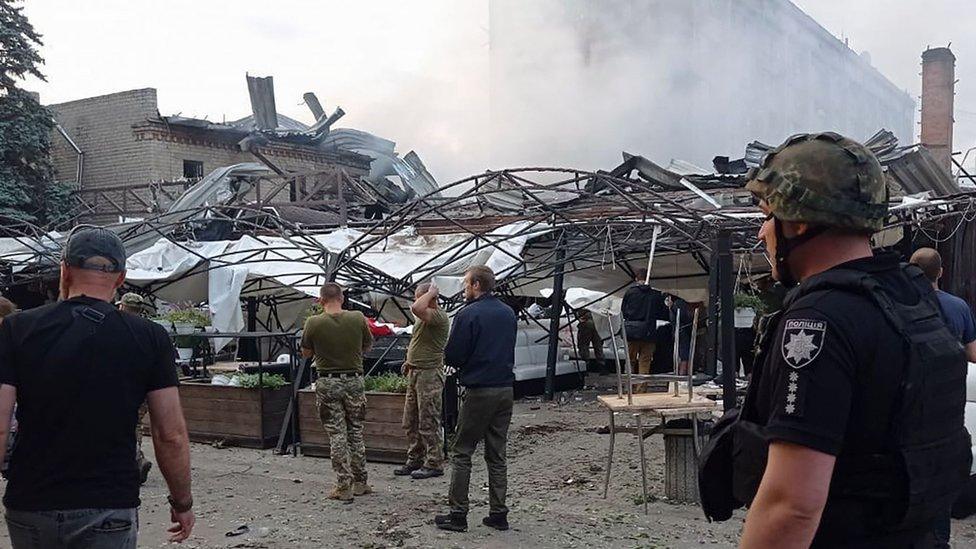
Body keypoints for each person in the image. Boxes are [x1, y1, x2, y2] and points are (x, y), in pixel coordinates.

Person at [699, 133, 970, 548]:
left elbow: (792, 505)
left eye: (768, 215)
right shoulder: (911, 299)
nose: (761, 233)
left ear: (798, 221)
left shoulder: (818, 322)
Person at [0, 227, 194, 548]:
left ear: (64, 270)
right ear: (120, 279)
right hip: (108, 504)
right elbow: (170, 434)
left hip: (31, 502)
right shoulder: (149, 337)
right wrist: (182, 502)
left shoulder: (16, 329)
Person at [434, 266, 517, 533]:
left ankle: (458, 513)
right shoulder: (508, 313)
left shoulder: (468, 314)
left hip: (479, 389)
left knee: (462, 451)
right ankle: (498, 513)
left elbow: (455, 354)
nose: (464, 289)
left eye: (466, 284)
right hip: (505, 388)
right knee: (497, 454)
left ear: (477, 285)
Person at [301, 282, 374, 503]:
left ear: (320, 300)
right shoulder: (358, 318)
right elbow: (368, 346)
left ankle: (344, 486)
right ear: (341, 298)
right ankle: (361, 482)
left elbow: (305, 353)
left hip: (328, 382)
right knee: (355, 431)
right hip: (354, 381)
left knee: (337, 434)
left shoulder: (313, 322)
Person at [395, 282, 450, 480]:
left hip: (429, 373)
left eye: (419, 296)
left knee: (428, 419)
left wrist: (432, 292)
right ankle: (415, 458)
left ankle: (434, 462)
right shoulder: (424, 317)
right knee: (410, 420)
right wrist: (409, 361)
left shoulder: (437, 316)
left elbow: (416, 308)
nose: (416, 301)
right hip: (416, 371)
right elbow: (418, 340)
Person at [910, 247, 976, 362]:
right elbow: (972, 354)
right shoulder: (960, 306)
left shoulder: (901, 305)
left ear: (911, 272)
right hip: (952, 373)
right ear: (940, 272)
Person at [118, 292, 154, 485]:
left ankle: (135, 461)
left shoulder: (115, 329)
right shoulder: (150, 331)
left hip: (121, 387)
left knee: (122, 425)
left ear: (122, 307)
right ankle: (135, 459)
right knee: (135, 424)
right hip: (144, 387)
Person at [621, 269, 667, 376]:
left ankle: (629, 388)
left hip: (632, 332)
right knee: (645, 362)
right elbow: (662, 313)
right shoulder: (656, 295)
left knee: (630, 361)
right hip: (649, 332)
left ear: (636, 279)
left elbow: (624, 311)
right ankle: (641, 390)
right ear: (649, 279)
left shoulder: (630, 292)